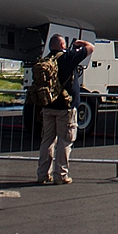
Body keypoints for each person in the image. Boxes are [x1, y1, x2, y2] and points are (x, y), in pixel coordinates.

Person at [37, 34, 94, 185]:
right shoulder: (67, 57)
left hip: (48, 106)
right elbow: (90, 47)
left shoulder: (45, 60)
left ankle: (43, 174)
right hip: (65, 108)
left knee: (47, 141)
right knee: (64, 141)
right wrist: (78, 43)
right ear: (63, 45)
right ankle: (61, 175)